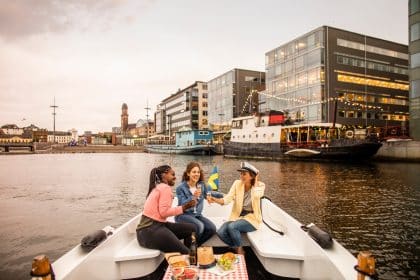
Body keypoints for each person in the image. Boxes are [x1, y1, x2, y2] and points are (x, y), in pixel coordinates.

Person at [136, 165, 197, 254]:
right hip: (149, 231)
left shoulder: (158, 187)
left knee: (192, 229)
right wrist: (184, 207)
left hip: (148, 231)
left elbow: (161, 214)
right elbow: (164, 213)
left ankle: (191, 256)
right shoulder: (165, 188)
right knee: (185, 253)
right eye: (172, 174)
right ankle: (190, 257)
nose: (175, 177)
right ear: (164, 175)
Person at [210, 162, 265, 255]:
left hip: (252, 218)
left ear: (251, 176)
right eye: (241, 173)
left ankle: (240, 252)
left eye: (244, 174)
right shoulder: (237, 183)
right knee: (220, 232)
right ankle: (237, 247)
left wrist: (255, 181)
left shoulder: (260, 185)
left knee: (232, 227)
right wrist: (215, 200)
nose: (241, 176)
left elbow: (256, 195)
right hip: (238, 217)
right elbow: (227, 199)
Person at [175, 162, 216, 246]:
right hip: (183, 215)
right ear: (188, 173)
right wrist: (193, 197)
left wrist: (224, 196)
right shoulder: (180, 188)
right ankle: (190, 249)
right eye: (194, 172)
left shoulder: (201, 185)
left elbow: (208, 194)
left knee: (212, 228)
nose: (196, 174)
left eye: (198, 172)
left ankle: (194, 246)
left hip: (197, 215)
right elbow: (182, 205)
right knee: (199, 226)